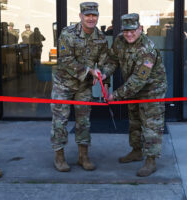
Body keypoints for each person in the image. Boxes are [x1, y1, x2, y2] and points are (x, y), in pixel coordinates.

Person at [100, 13, 167, 177]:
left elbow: (139, 80)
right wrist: (104, 75)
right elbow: (112, 60)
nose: (129, 34)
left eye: (133, 31)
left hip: (151, 90)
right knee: (135, 121)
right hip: (132, 89)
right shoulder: (120, 41)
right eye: (125, 31)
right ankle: (136, 151)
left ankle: (151, 160)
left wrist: (115, 95)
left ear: (140, 29)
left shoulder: (148, 49)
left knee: (151, 125)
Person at [51, 2, 108, 172]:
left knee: (84, 122)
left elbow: (104, 61)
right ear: (80, 16)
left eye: (94, 15)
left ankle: (83, 156)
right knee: (60, 122)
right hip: (64, 84)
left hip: (84, 87)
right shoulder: (67, 34)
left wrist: (102, 73)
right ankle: (59, 157)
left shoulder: (101, 38)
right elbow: (65, 60)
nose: (91, 18)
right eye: (87, 15)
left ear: (97, 16)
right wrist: (90, 70)